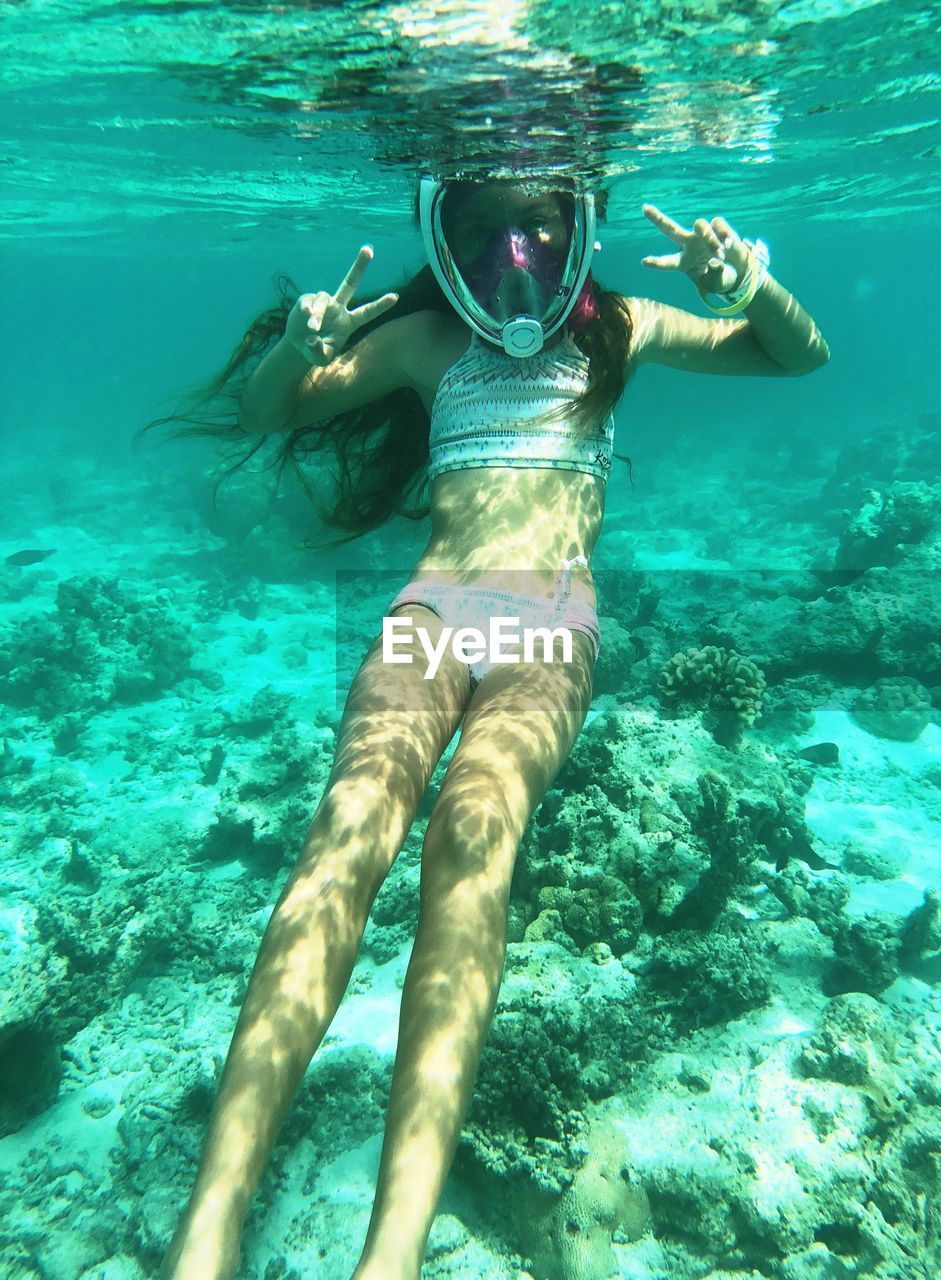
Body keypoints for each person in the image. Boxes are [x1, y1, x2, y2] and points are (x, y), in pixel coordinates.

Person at [157, 173, 829, 1280]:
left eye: (538, 225)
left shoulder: (624, 324)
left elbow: (797, 353)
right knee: (348, 830)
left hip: (551, 632)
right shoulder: (426, 341)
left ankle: (394, 1249)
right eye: (478, 231)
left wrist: (757, 289)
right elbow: (271, 409)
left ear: (576, 228)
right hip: (433, 614)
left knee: (473, 833)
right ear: (447, 238)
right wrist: (296, 344)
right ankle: (209, 1224)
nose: (511, 254)